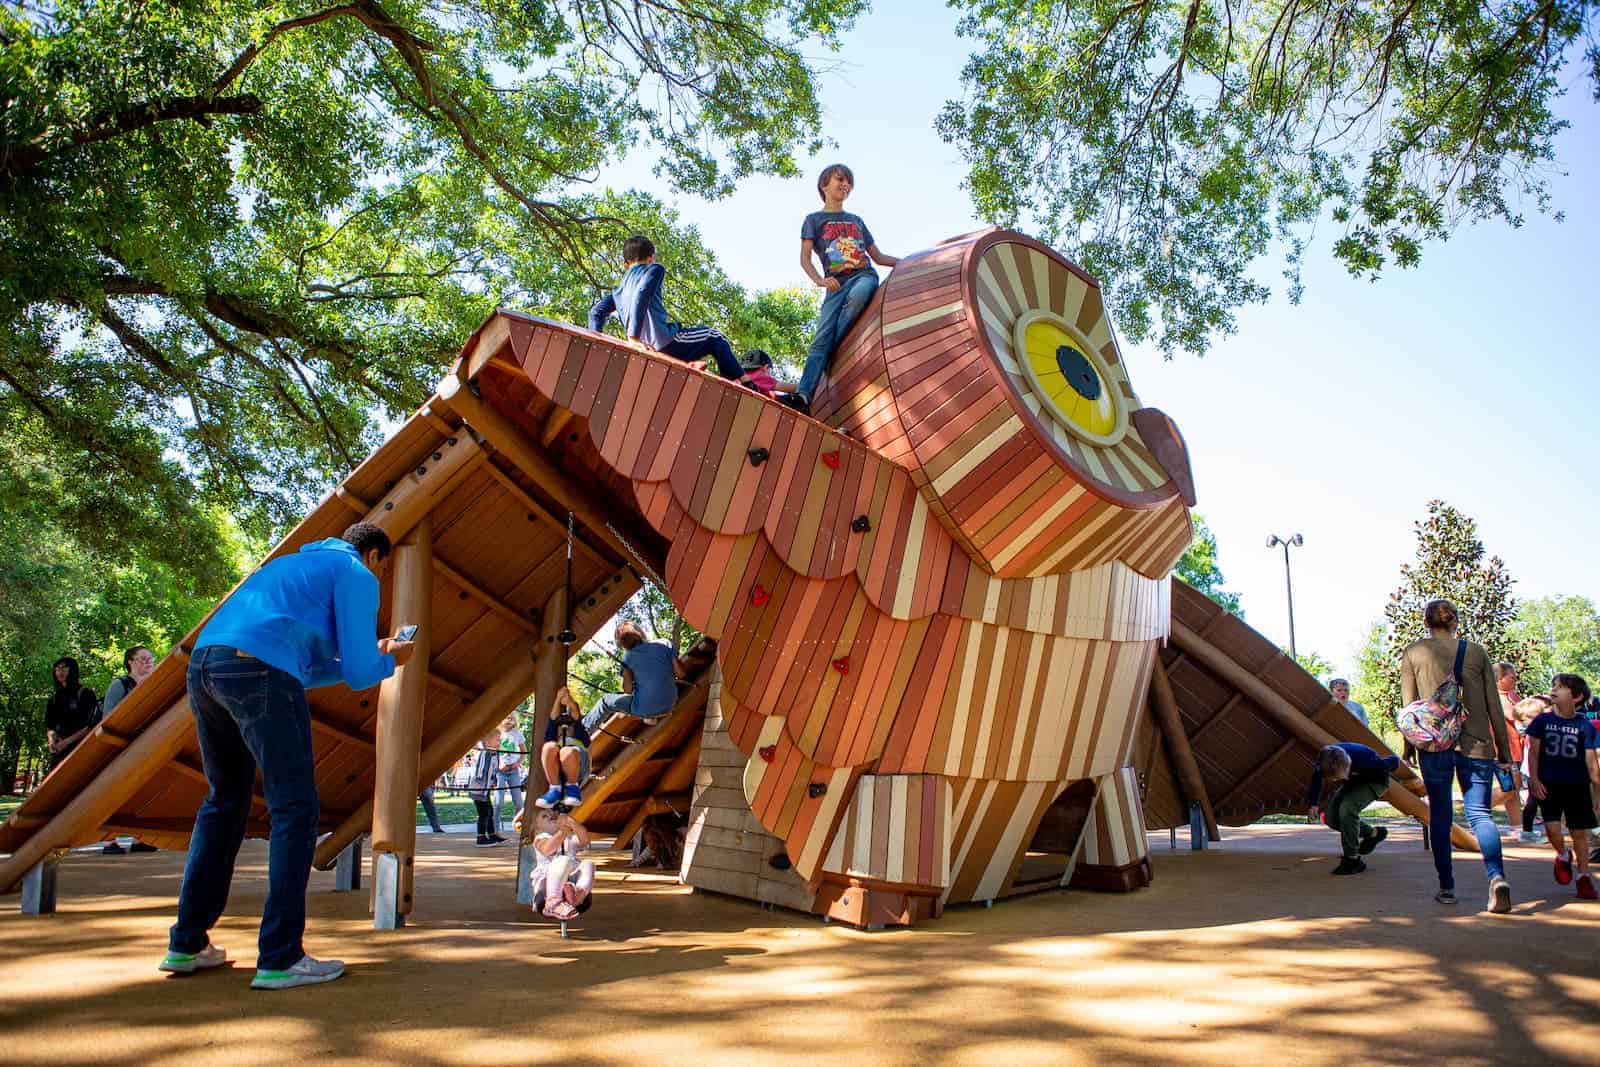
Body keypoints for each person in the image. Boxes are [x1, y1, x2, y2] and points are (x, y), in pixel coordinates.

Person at [161, 522, 414, 990]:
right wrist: (391, 660)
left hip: (207, 666)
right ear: (375, 556)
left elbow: (306, 670)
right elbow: (362, 674)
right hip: (262, 671)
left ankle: (186, 943)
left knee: (224, 801)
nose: (379, 576)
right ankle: (280, 956)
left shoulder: (291, 566)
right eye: (383, 568)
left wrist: (364, 658)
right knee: (294, 809)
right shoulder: (356, 573)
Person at [1400, 598, 1515, 912]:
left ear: (1427, 623)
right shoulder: (1476, 652)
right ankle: (1496, 878)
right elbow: (1494, 706)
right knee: (1480, 814)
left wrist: (1409, 749)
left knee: (1441, 815)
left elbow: (1410, 708)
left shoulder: (1413, 653)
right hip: (1477, 745)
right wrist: (1504, 752)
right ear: (1456, 622)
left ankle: (1447, 888)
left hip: (1434, 746)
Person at [780, 163, 899, 415]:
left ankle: (832, 350)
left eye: (849, 182)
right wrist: (820, 281)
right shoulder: (813, 220)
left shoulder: (856, 221)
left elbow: (878, 257)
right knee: (820, 339)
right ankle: (804, 396)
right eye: (840, 179)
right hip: (834, 285)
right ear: (824, 185)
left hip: (862, 275)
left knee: (859, 296)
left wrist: (907, 262)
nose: (845, 185)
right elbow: (804, 259)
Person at [588, 234, 761, 389]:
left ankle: (692, 365)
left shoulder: (618, 292)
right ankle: (745, 382)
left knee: (695, 346)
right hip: (665, 342)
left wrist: (598, 345)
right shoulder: (654, 269)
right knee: (714, 336)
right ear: (651, 258)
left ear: (625, 263)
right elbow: (642, 293)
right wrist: (632, 337)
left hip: (646, 348)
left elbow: (595, 313)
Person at [1525, 673, 1600, 900]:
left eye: (1560, 687)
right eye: (1554, 686)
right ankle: (1563, 854)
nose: (1554, 690)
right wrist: (1534, 779)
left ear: (1576, 697)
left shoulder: (1585, 726)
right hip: (1549, 784)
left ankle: (1583, 877)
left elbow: (1592, 762)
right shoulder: (1542, 721)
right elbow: (1533, 752)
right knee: (1552, 829)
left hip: (1577, 786)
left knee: (1579, 833)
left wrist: (1597, 792)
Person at [102, 645, 162, 853]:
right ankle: (110, 841)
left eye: (150, 659)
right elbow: (108, 718)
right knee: (116, 793)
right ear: (130, 662)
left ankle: (139, 838)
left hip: (147, 745)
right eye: (143, 659)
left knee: (141, 792)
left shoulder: (156, 684)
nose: (148, 662)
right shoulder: (119, 684)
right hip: (121, 747)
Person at [1305, 742, 1397, 874]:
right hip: (1353, 782)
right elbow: (1317, 779)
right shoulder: (1325, 759)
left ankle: (1352, 860)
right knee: (1331, 818)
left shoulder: (1367, 761)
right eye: (1337, 778)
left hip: (1376, 781)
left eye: (1341, 775)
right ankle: (1374, 833)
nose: (1339, 779)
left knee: (1347, 808)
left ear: (1348, 763)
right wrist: (1313, 804)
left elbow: (1394, 760)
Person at [580, 621, 678, 733]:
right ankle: (651, 716)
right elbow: (680, 673)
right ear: (639, 632)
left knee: (605, 701)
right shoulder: (664, 643)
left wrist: (627, 670)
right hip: (670, 702)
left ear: (621, 643)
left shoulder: (627, 659)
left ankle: (582, 731)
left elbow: (628, 690)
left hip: (645, 708)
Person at [525, 807, 595, 921]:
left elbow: (584, 840)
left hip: (571, 878)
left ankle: (578, 895)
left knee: (588, 864)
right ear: (537, 828)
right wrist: (563, 831)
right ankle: (553, 903)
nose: (551, 816)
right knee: (563, 860)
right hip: (548, 882)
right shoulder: (540, 838)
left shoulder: (569, 838)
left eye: (553, 815)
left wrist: (572, 823)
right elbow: (547, 849)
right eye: (544, 816)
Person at [535, 687, 593, 810]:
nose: (564, 728)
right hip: (559, 769)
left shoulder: (579, 733)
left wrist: (568, 700)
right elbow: (553, 719)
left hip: (578, 765)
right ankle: (554, 788)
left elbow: (575, 714)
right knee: (548, 747)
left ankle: (572, 786)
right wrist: (558, 699)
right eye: (560, 727)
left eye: (568, 724)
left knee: (567, 751)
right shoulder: (556, 738)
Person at [1489, 662, 1527, 838]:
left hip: (1516, 751)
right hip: (1502, 752)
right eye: (1511, 676)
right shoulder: (1496, 697)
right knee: (1510, 787)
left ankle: (1516, 827)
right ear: (1499, 679)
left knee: (1514, 791)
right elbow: (1518, 715)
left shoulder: (1513, 696)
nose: (1515, 679)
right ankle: (1477, 810)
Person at [44, 656, 97, 772]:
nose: (60, 672)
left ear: (72, 669)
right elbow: (50, 725)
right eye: (57, 669)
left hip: (81, 749)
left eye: (64, 668)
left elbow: (91, 725)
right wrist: (51, 741)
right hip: (59, 752)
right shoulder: (53, 698)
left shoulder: (85, 693)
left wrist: (67, 742)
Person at [467, 730, 505, 847]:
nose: (500, 742)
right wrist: (481, 784)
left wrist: (493, 782)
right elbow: (480, 770)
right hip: (479, 789)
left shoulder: (494, 754)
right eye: (497, 740)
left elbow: (493, 771)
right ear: (487, 742)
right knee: (484, 813)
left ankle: (492, 834)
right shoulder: (484, 754)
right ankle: (481, 837)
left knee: (490, 812)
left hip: (485, 790)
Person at [496, 713, 527, 825]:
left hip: (513, 770)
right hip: (500, 771)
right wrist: (498, 764)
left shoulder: (517, 733)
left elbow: (524, 752)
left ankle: (518, 825)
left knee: (519, 802)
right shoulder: (497, 733)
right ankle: (495, 828)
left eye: (511, 718)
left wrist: (518, 763)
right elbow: (492, 751)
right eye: (506, 717)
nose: (509, 720)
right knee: (498, 802)